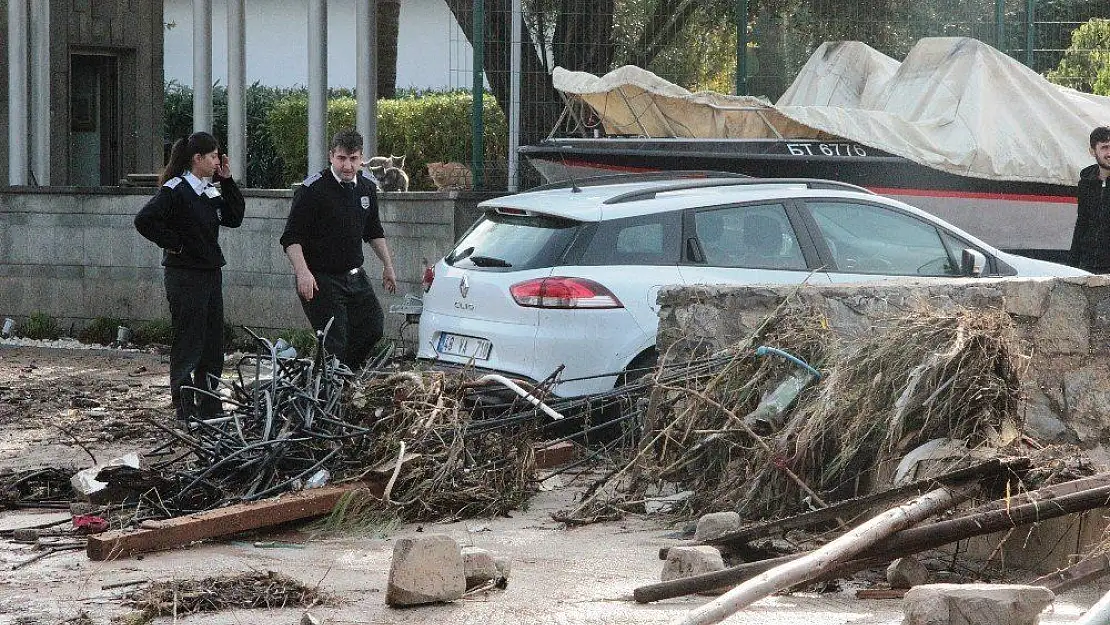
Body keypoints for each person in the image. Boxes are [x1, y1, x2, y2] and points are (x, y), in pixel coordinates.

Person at [135, 131, 245, 422]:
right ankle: (184, 405)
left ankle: (209, 403)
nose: (216, 162)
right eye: (212, 157)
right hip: (185, 276)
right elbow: (144, 220)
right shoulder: (176, 189)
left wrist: (227, 180)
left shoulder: (209, 190)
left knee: (212, 343)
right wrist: (174, 243)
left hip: (209, 273)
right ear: (197, 159)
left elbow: (234, 217)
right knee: (189, 341)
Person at [280, 129, 397, 370]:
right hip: (321, 279)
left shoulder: (366, 188)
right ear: (331, 156)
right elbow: (291, 238)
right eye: (341, 158)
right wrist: (303, 272)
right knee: (335, 340)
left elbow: (373, 231)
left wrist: (388, 266)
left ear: (361, 158)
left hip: (355, 277)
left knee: (373, 327)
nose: (347, 166)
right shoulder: (312, 190)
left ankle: (342, 376)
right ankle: (328, 392)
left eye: (353, 159)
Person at [1069, 125, 1110, 273]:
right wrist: (1072, 266)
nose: (1109, 152)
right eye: (1105, 147)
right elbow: (1082, 223)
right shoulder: (1086, 183)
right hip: (1088, 265)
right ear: (1092, 151)